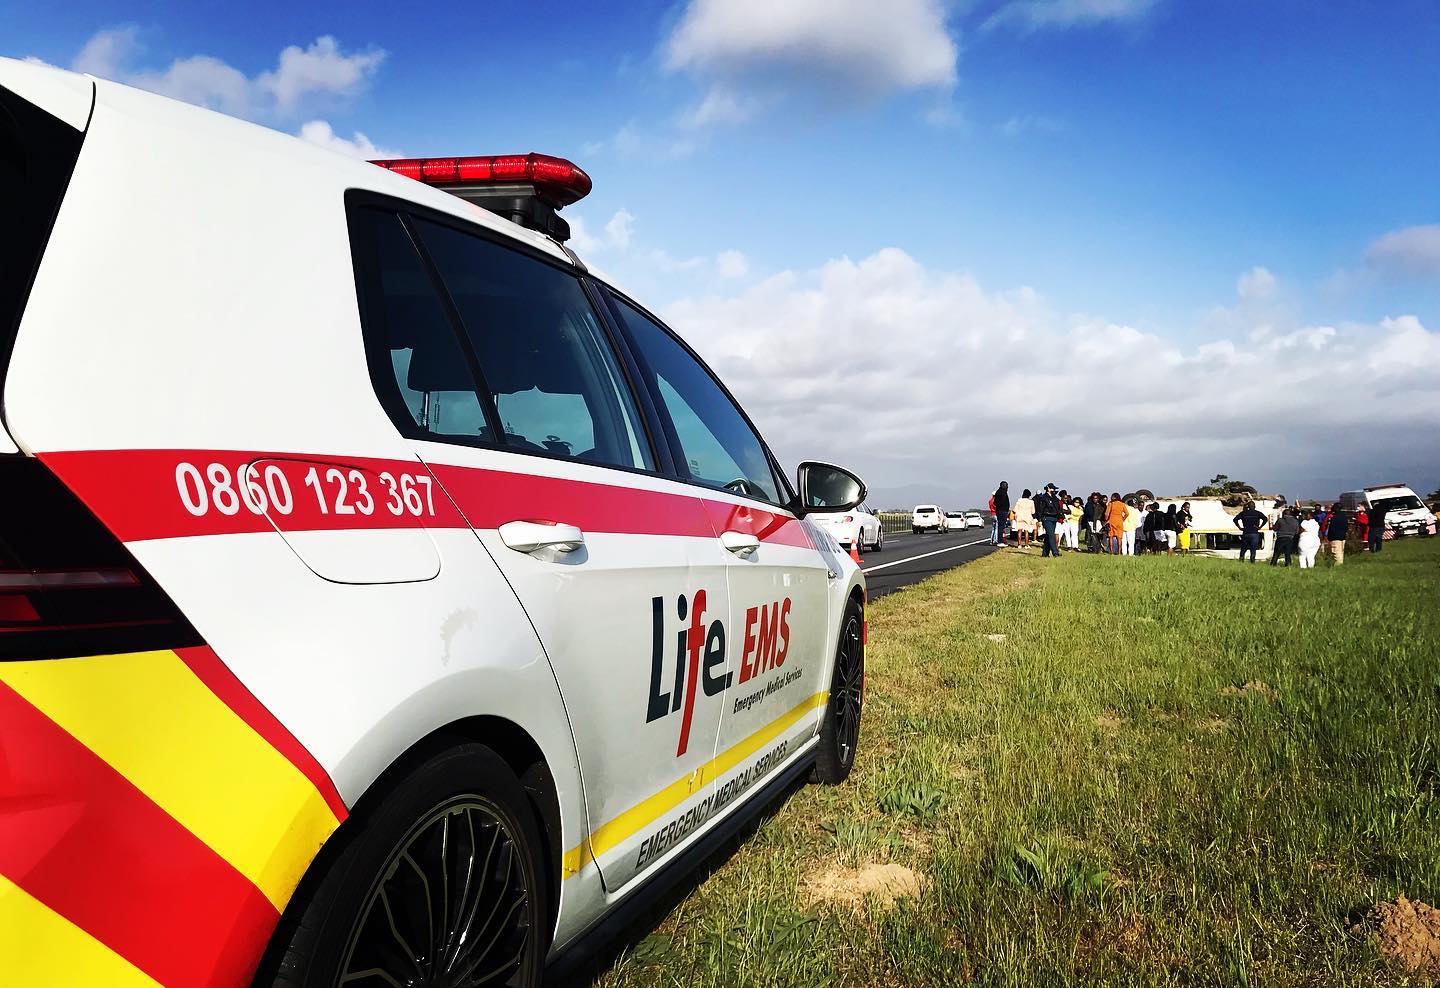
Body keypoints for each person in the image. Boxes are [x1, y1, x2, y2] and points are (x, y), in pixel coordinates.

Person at [1036, 483, 1064, 558]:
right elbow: (1040, 510)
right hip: (1046, 518)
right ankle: (1055, 552)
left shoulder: (1055, 498)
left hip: (1054, 518)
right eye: (1052, 489)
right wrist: (1039, 520)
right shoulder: (1043, 498)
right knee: (1051, 535)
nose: (1054, 490)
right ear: (1048, 489)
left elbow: (1058, 508)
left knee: (1049, 536)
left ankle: (1045, 553)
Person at [991, 482, 1010, 546]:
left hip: (1002, 511)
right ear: (1003, 486)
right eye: (1006, 486)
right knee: (1001, 527)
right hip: (1002, 511)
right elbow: (997, 502)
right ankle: (1000, 541)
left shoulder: (1001, 492)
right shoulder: (1001, 492)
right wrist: (1003, 507)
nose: (1007, 487)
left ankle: (1001, 541)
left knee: (1001, 527)